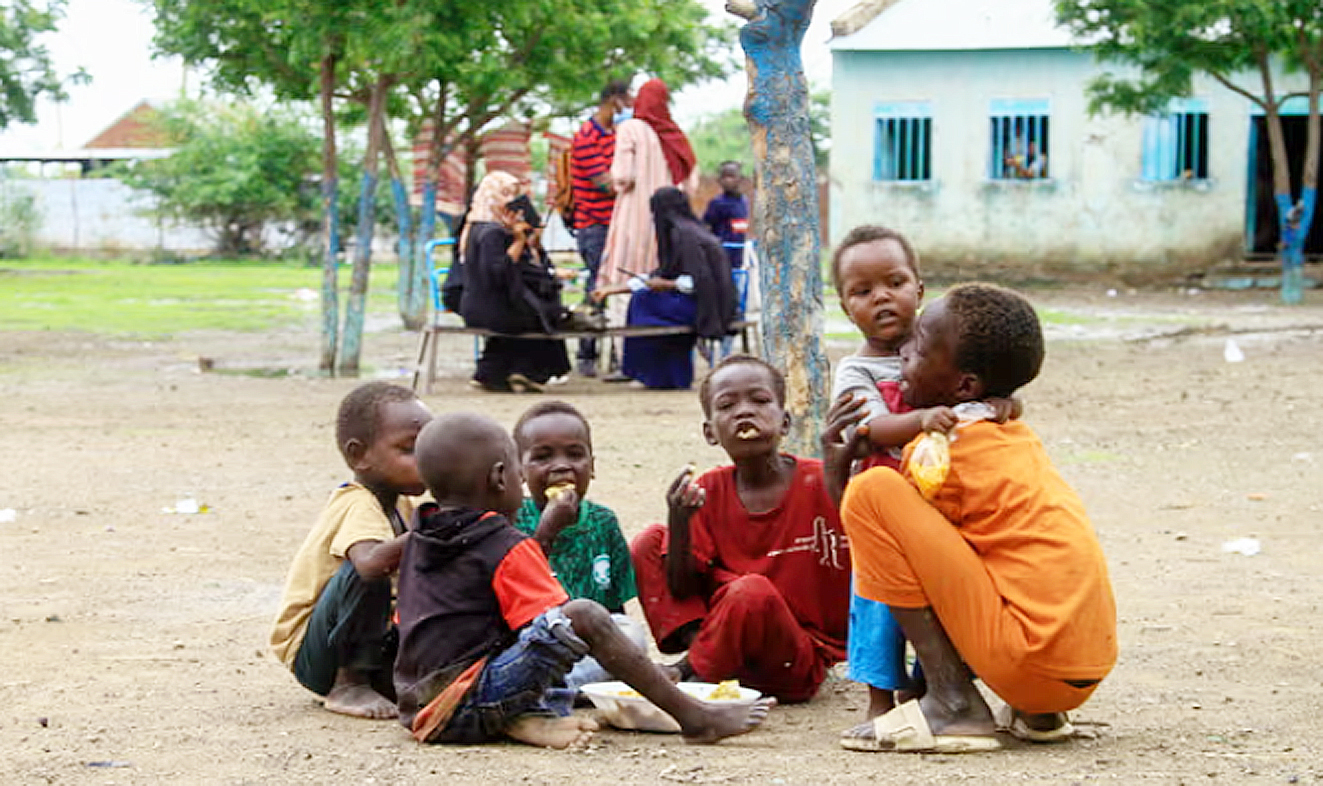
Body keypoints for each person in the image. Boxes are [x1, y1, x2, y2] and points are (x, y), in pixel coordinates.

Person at [831, 283, 1117, 753]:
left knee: (871, 492)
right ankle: (1039, 715)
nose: (904, 351)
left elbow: (895, 547)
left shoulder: (940, 453)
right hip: (1084, 664)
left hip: (1028, 662)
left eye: (920, 347)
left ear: (964, 386)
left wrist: (838, 470)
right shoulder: (1013, 434)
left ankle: (952, 703)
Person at [393, 412, 775, 748]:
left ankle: (524, 721)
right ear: (499, 477)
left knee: (543, 634)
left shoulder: (419, 536)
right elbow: (561, 628)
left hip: (417, 709)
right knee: (582, 616)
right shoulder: (505, 543)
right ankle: (695, 718)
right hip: (465, 707)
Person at [629, 355, 852, 703]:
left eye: (760, 401)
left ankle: (691, 672)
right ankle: (707, 659)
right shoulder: (709, 489)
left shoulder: (823, 481)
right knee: (650, 541)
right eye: (727, 405)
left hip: (796, 657)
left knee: (751, 592)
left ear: (785, 422)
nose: (744, 412)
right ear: (710, 432)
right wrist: (680, 522)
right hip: (731, 633)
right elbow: (681, 587)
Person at [269, 382, 432, 719]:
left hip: (370, 638)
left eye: (431, 449)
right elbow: (370, 565)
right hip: (315, 655)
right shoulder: (357, 501)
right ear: (359, 455)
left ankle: (377, 675)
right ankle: (349, 683)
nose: (426, 461)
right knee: (369, 568)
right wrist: (429, 533)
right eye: (409, 449)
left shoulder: (406, 503)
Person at [511, 400, 645, 689]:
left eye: (575, 454)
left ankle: (554, 687)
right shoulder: (511, 520)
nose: (561, 466)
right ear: (519, 470)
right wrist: (546, 531)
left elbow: (614, 607)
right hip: (531, 642)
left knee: (632, 634)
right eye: (543, 456)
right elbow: (514, 584)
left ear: (592, 466)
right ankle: (556, 686)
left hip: (588, 647)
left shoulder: (603, 522)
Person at [595, 187, 736, 389]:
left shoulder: (685, 236)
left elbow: (699, 282)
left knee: (642, 302)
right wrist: (613, 289)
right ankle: (667, 377)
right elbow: (663, 273)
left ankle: (643, 371)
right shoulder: (688, 231)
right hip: (699, 303)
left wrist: (667, 285)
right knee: (647, 299)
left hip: (708, 308)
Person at [458, 171, 571, 393]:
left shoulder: (477, 228)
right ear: (491, 197)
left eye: (514, 195)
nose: (510, 201)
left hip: (478, 306)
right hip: (491, 309)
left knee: (533, 311)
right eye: (504, 194)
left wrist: (527, 240)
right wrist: (519, 240)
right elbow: (499, 272)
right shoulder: (492, 233)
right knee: (544, 315)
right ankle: (526, 371)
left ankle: (491, 373)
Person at [597, 78, 701, 307]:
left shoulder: (630, 129)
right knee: (660, 276)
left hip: (633, 218)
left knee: (626, 281)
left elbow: (623, 177)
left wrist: (611, 180)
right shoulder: (675, 136)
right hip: (669, 222)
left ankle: (624, 335)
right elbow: (691, 181)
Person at [569, 79, 634, 378]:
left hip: (616, 224)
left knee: (618, 286)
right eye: (627, 99)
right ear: (614, 100)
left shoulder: (617, 134)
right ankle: (587, 353)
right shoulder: (586, 137)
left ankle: (618, 356)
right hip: (594, 225)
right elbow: (605, 183)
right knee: (598, 288)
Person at [702, 161, 749, 272]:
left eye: (732, 176)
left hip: (738, 254)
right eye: (724, 177)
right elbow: (706, 226)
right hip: (721, 255)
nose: (728, 180)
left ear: (740, 179)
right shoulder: (717, 203)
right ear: (719, 180)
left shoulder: (743, 201)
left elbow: (741, 229)